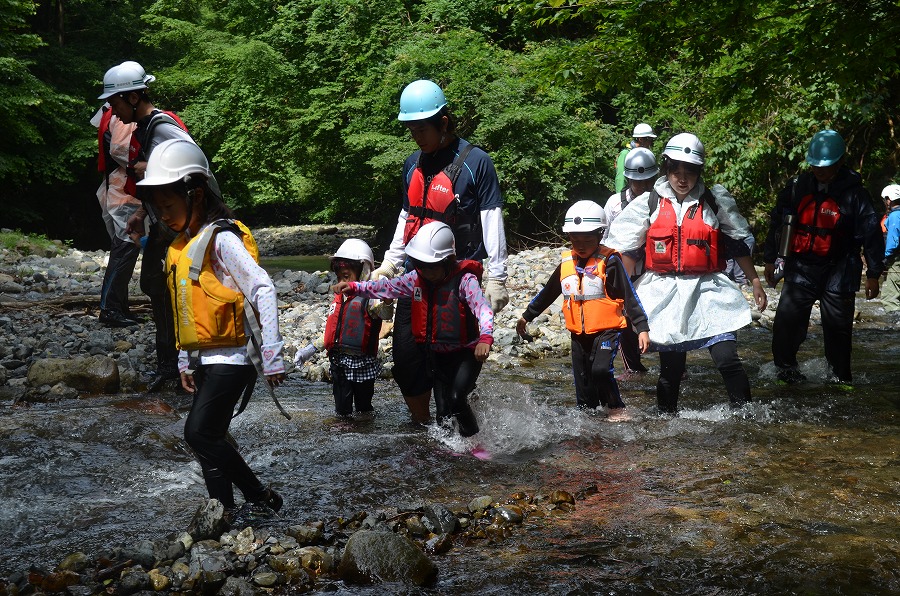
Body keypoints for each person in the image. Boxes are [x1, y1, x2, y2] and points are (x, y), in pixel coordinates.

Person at [135, 138, 285, 520]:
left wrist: (272, 353)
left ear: (196, 195)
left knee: (197, 433)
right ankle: (223, 511)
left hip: (234, 357)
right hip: (206, 357)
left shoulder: (222, 239)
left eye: (168, 206)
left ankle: (259, 494)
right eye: (158, 209)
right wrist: (185, 358)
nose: (163, 216)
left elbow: (262, 287)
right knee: (210, 440)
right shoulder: (184, 246)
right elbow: (187, 310)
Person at [372, 79, 508, 424]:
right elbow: (408, 216)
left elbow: (491, 219)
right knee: (406, 361)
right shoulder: (411, 165)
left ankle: (459, 435)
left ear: (443, 122)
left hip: (458, 278)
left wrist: (498, 277)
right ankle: (422, 428)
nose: (416, 135)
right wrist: (389, 264)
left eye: (422, 128)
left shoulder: (476, 163)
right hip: (417, 275)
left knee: (449, 370)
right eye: (411, 129)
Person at [606, 132, 767, 413]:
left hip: (709, 290)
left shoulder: (714, 201)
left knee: (728, 359)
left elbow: (737, 243)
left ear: (698, 172)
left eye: (689, 173)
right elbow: (627, 253)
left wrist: (755, 281)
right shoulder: (649, 203)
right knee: (671, 370)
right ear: (667, 169)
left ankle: (746, 417)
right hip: (665, 291)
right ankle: (667, 421)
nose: (682, 179)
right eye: (676, 172)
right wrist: (619, 298)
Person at [98, 60, 203, 392]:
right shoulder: (144, 128)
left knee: (169, 291)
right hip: (164, 220)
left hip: (183, 226)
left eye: (114, 103)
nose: (112, 112)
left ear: (132, 97)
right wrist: (142, 213)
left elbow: (195, 164)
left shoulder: (160, 126)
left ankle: (184, 366)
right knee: (156, 289)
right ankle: (171, 365)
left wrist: (151, 164)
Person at [336, 222, 493, 438]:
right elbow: (386, 288)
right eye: (421, 265)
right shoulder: (415, 279)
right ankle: (450, 450)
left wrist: (485, 338)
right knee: (442, 412)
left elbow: (483, 309)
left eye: (431, 266)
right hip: (437, 355)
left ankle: (475, 443)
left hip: (466, 354)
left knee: (456, 399)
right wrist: (355, 288)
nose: (426, 272)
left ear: (446, 261)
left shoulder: (465, 281)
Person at [763, 130, 885, 385]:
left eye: (826, 166)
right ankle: (786, 375)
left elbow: (871, 234)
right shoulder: (797, 188)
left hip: (840, 270)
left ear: (840, 163)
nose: (820, 170)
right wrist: (770, 259)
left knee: (838, 331)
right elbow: (777, 223)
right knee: (786, 325)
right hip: (801, 268)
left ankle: (840, 381)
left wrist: (873, 274)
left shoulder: (855, 194)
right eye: (816, 165)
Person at [516, 200, 650, 421]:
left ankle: (616, 407)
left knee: (600, 370)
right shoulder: (566, 263)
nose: (580, 244)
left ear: (599, 235)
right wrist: (527, 315)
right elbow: (549, 292)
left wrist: (642, 327)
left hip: (606, 330)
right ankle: (590, 420)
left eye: (587, 239)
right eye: (575, 239)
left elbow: (629, 295)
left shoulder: (611, 261)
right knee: (583, 383)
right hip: (578, 335)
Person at [294, 239, 393, 419]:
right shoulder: (339, 299)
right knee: (342, 412)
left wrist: (387, 298)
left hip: (362, 364)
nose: (341, 282)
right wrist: (309, 350)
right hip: (338, 362)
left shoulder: (371, 299)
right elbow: (331, 333)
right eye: (339, 277)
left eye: (346, 277)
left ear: (363, 273)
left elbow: (385, 314)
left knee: (364, 409)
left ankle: (364, 432)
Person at [604, 147, 658, 373]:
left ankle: (672, 364)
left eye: (648, 182)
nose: (643, 188)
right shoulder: (614, 204)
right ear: (628, 179)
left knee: (655, 314)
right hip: (625, 270)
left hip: (653, 269)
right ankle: (633, 368)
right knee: (625, 318)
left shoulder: (661, 201)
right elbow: (606, 238)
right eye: (638, 183)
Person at [91, 104, 142, 327]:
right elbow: (120, 149)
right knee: (124, 249)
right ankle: (110, 309)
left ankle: (119, 307)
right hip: (124, 193)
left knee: (124, 249)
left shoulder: (109, 112)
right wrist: (149, 166)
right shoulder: (123, 115)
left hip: (117, 189)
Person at [614, 123, 657, 193]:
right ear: (641, 139)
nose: (650, 143)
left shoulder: (646, 155)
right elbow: (621, 179)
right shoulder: (625, 154)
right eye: (650, 140)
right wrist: (622, 199)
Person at [882, 184, 900, 313]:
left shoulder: (895, 216)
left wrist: (885, 258)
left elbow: (893, 241)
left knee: (890, 297)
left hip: (896, 260)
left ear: (889, 199)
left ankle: (894, 325)